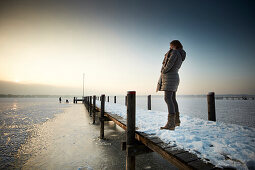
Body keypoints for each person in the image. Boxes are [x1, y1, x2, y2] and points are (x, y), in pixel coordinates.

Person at [156, 40, 186, 130]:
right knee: (172, 98)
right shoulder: (180, 54)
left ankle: (171, 124)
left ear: (174, 45)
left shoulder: (175, 52)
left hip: (170, 77)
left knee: (167, 98)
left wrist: (163, 71)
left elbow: (169, 64)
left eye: (170, 45)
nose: (169, 47)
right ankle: (176, 121)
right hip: (174, 76)